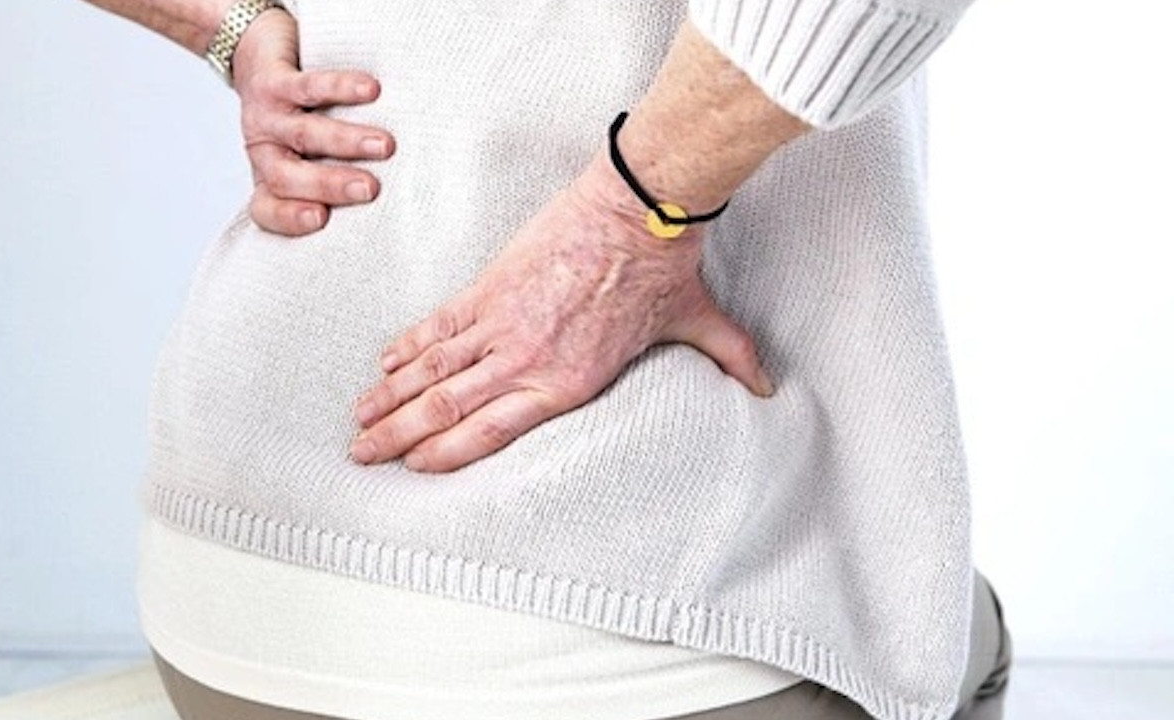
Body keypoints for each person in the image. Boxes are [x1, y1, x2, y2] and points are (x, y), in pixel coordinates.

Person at [83, 0, 1013, 719]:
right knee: (945, 623)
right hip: (628, 634)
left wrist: (229, 22)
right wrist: (632, 219)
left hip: (225, 578)